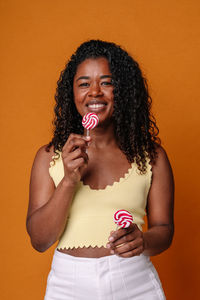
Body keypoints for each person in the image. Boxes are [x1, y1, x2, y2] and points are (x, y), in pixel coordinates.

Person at [26, 40, 174, 300]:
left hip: (135, 280)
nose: (94, 92)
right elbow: (39, 241)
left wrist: (144, 241)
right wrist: (69, 180)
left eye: (107, 82)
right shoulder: (49, 157)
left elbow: (164, 228)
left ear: (124, 90)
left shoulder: (152, 157)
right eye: (84, 83)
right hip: (68, 285)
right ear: (71, 94)